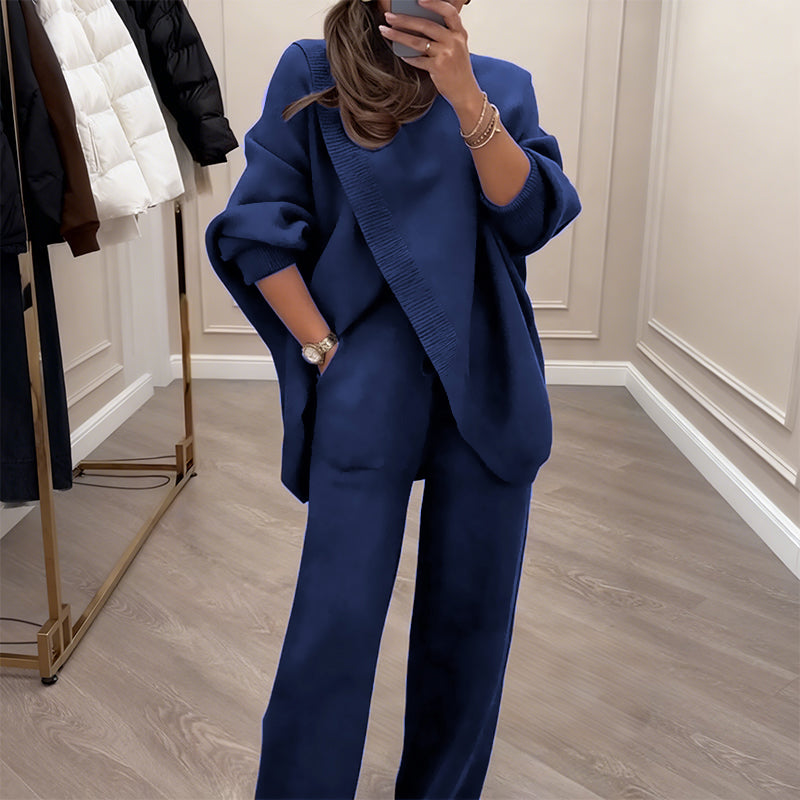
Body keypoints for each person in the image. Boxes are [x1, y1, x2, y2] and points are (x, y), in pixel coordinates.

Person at [205, 1, 581, 797]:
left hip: (487, 369)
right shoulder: (314, 71)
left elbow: (530, 220)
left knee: (472, 615)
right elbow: (258, 228)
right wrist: (323, 351)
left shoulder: (501, 86)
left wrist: (466, 99)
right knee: (335, 617)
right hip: (367, 378)